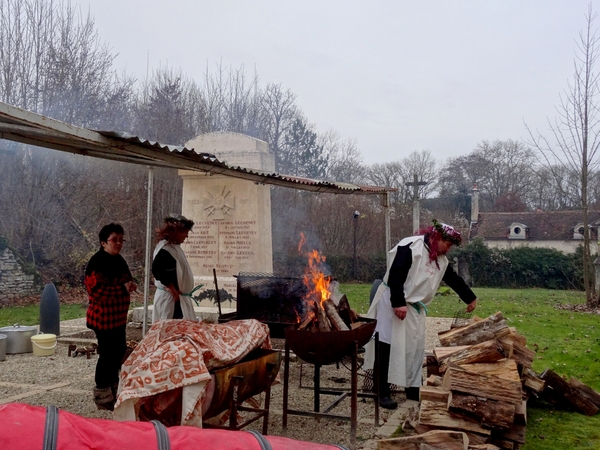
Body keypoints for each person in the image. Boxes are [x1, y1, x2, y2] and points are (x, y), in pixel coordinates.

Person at [365, 219, 477, 410]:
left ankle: (412, 388)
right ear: (437, 237)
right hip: (393, 303)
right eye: (447, 244)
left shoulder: (441, 259)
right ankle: (381, 392)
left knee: (414, 348)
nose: (448, 249)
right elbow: (396, 275)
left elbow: (451, 278)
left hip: (414, 308)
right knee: (387, 347)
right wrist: (398, 303)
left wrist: (469, 297)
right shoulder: (410, 246)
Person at [84, 223, 137, 411]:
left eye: (121, 240)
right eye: (115, 240)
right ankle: (102, 392)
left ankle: (115, 386)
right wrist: (121, 288)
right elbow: (96, 291)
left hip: (119, 318)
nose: (119, 243)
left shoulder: (120, 260)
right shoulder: (96, 262)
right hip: (103, 319)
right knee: (107, 355)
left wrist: (131, 284)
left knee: (119, 351)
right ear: (103, 242)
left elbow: (127, 279)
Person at [151, 214, 198, 322]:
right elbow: (157, 269)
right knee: (170, 333)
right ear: (175, 231)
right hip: (170, 300)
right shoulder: (165, 249)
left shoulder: (173, 248)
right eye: (185, 232)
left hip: (177, 299)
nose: (187, 235)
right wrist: (172, 288)